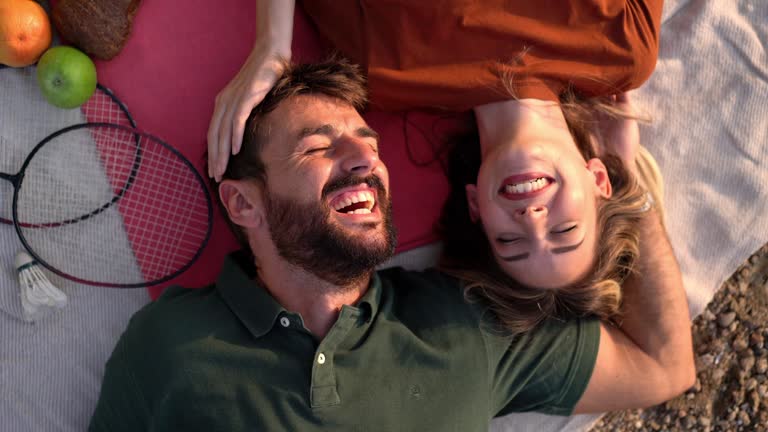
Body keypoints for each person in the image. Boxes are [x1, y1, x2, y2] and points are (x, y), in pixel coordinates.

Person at [89, 58, 694, 431]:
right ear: (244, 203)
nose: (365, 160)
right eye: (318, 146)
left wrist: (620, 172)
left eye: (368, 141)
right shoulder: (168, 346)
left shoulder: (466, 324)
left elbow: (663, 366)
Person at [206, 0, 666, 329]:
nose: (532, 219)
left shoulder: (386, 75)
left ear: (476, 207)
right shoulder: (622, 49)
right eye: (566, 231)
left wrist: (272, 46)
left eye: (510, 240)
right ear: (599, 179)